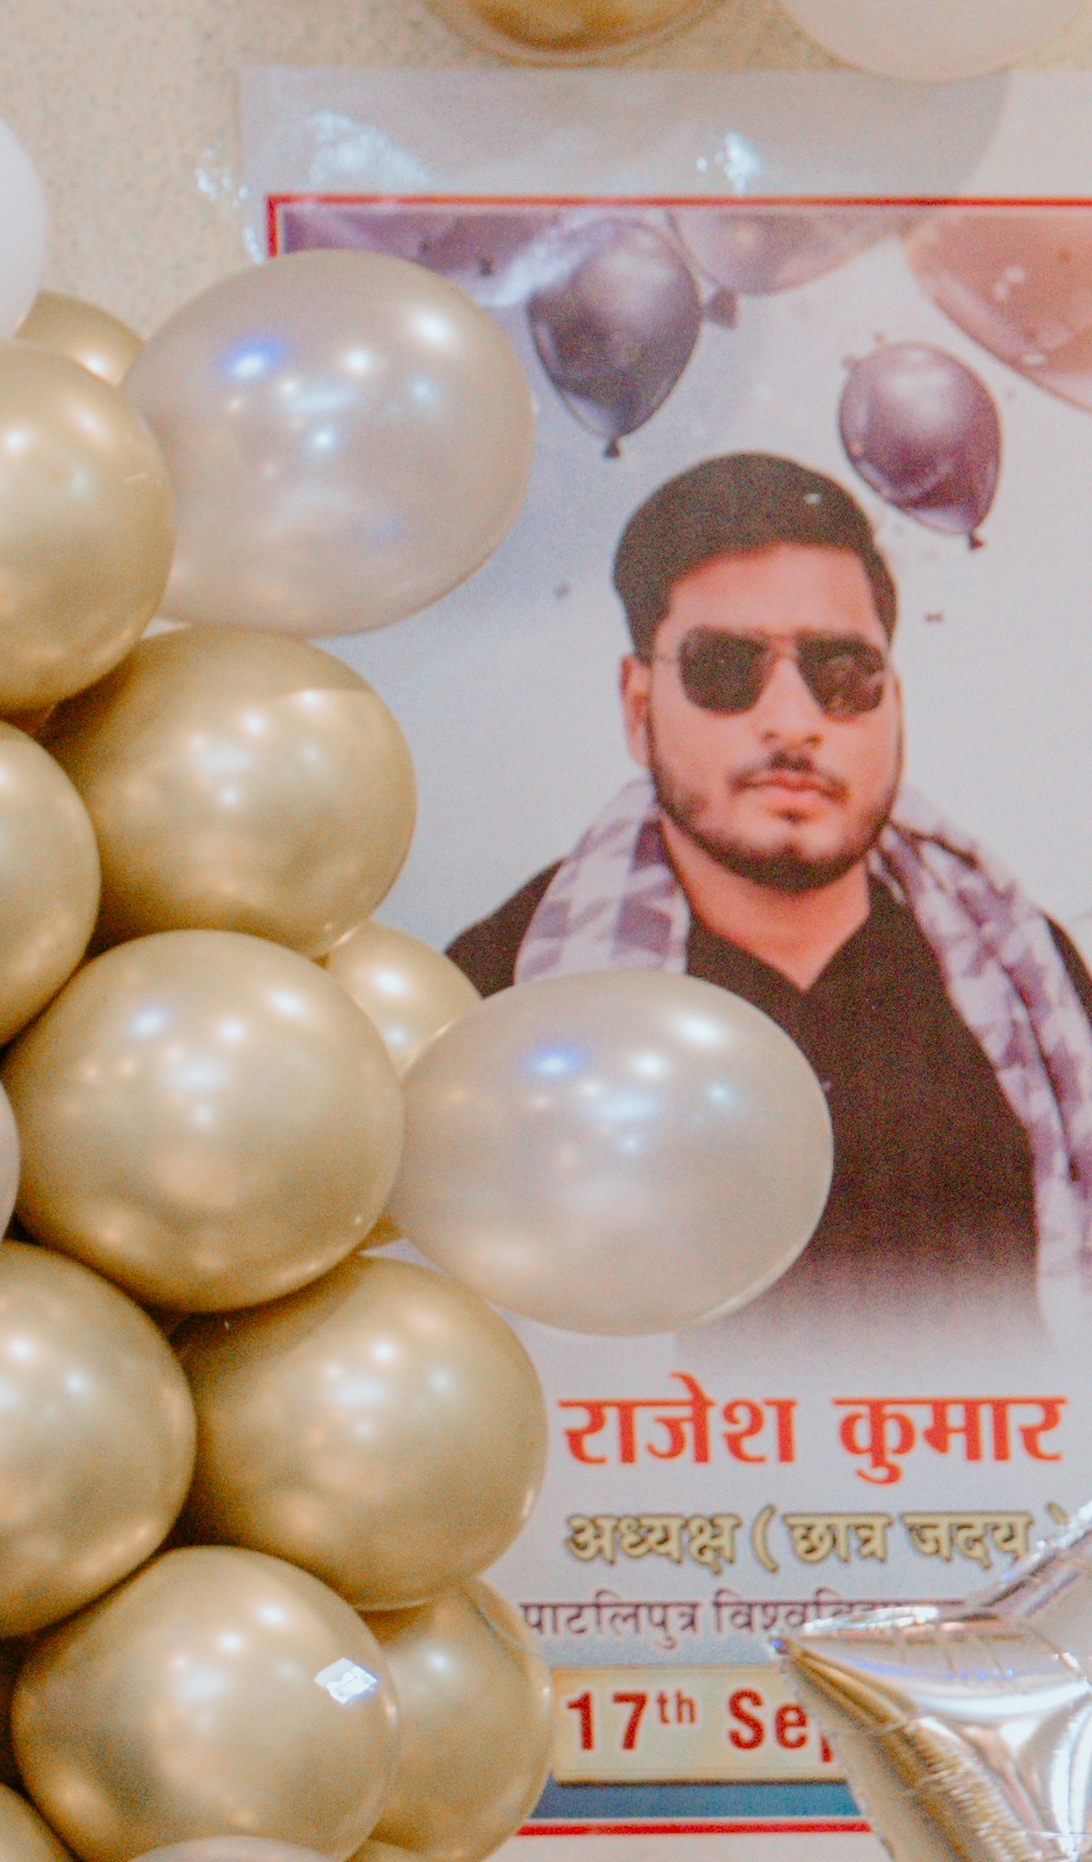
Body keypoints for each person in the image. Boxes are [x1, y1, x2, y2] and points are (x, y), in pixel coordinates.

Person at [443, 448, 1091, 1339]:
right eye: (725, 668)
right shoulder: (498, 996)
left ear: (894, 703)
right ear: (638, 706)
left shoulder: (1030, 974)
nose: (792, 722)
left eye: (842, 674)